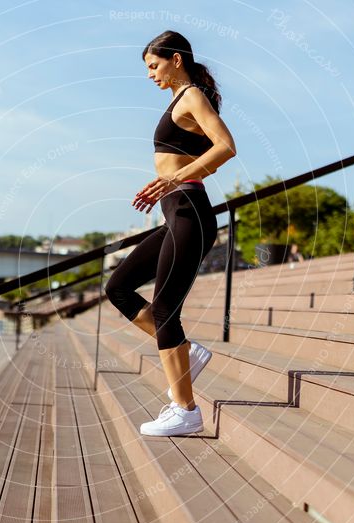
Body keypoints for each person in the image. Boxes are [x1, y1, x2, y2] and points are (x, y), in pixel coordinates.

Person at [105, 30, 237, 437]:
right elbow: (205, 160)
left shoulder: (192, 95)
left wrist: (174, 178)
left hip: (189, 213)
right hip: (176, 212)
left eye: (154, 65)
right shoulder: (180, 101)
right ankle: (186, 351)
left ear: (176, 59)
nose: (150, 74)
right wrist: (170, 179)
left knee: (165, 309)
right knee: (119, 288)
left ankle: (185, 409)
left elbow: (226, 147)